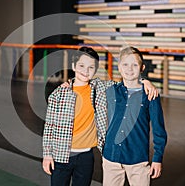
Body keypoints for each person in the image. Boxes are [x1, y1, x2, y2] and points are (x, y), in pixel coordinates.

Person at [42, 47, 158, 186]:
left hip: (86, 156)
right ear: (73, 66)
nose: (85, 71)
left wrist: (145, 81)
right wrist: (47, 154)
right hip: (61, 154)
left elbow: (128, 81)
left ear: (95, 69)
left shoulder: (101, 88)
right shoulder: (59, 94)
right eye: (81, 66)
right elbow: (49, 126)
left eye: (91, 67)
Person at [102, 46, 167, 186]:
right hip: (111, 157)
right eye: (125, 64)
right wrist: (68, 83)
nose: (129, 69)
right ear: (119, 67)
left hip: (138, 160)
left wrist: (157, 158)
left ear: (142, 67)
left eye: (134, 65)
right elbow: (86, 82)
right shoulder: (110, 91)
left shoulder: (151, 95)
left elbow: (159, 129)